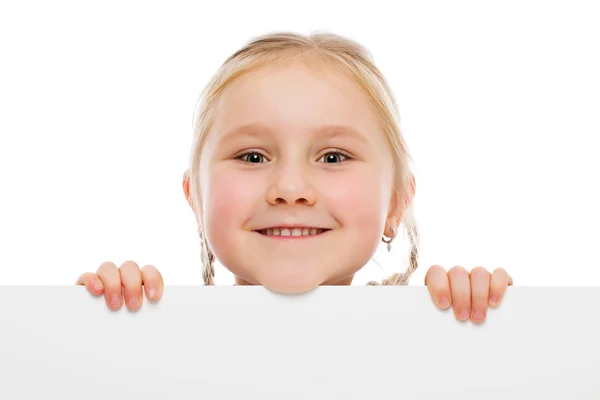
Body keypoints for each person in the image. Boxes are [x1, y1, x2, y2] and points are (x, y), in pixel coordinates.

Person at [76, 31, 513, 324]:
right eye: (252, 156)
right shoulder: (153, 328)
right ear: (196, 198)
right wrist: (96, 318)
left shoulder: (433, 328)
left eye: (333, 157)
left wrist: (479, 317)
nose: (289, 190)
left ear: (397, 203)